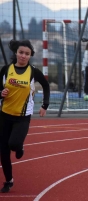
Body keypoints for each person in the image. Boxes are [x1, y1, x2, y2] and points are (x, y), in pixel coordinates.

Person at [0, 40, 50, 193]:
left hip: (23, 116)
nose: (23, 55)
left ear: (30, 56)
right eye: (21, 52)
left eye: (27, 54)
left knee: (14, 144)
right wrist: (0, 93)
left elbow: (46, 86)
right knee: (3, 151)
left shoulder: (33, 72)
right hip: (4, 114)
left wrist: (44, 105)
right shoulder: (6, 69)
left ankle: (19, 146)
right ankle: (9, 180)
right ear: (16, 53)